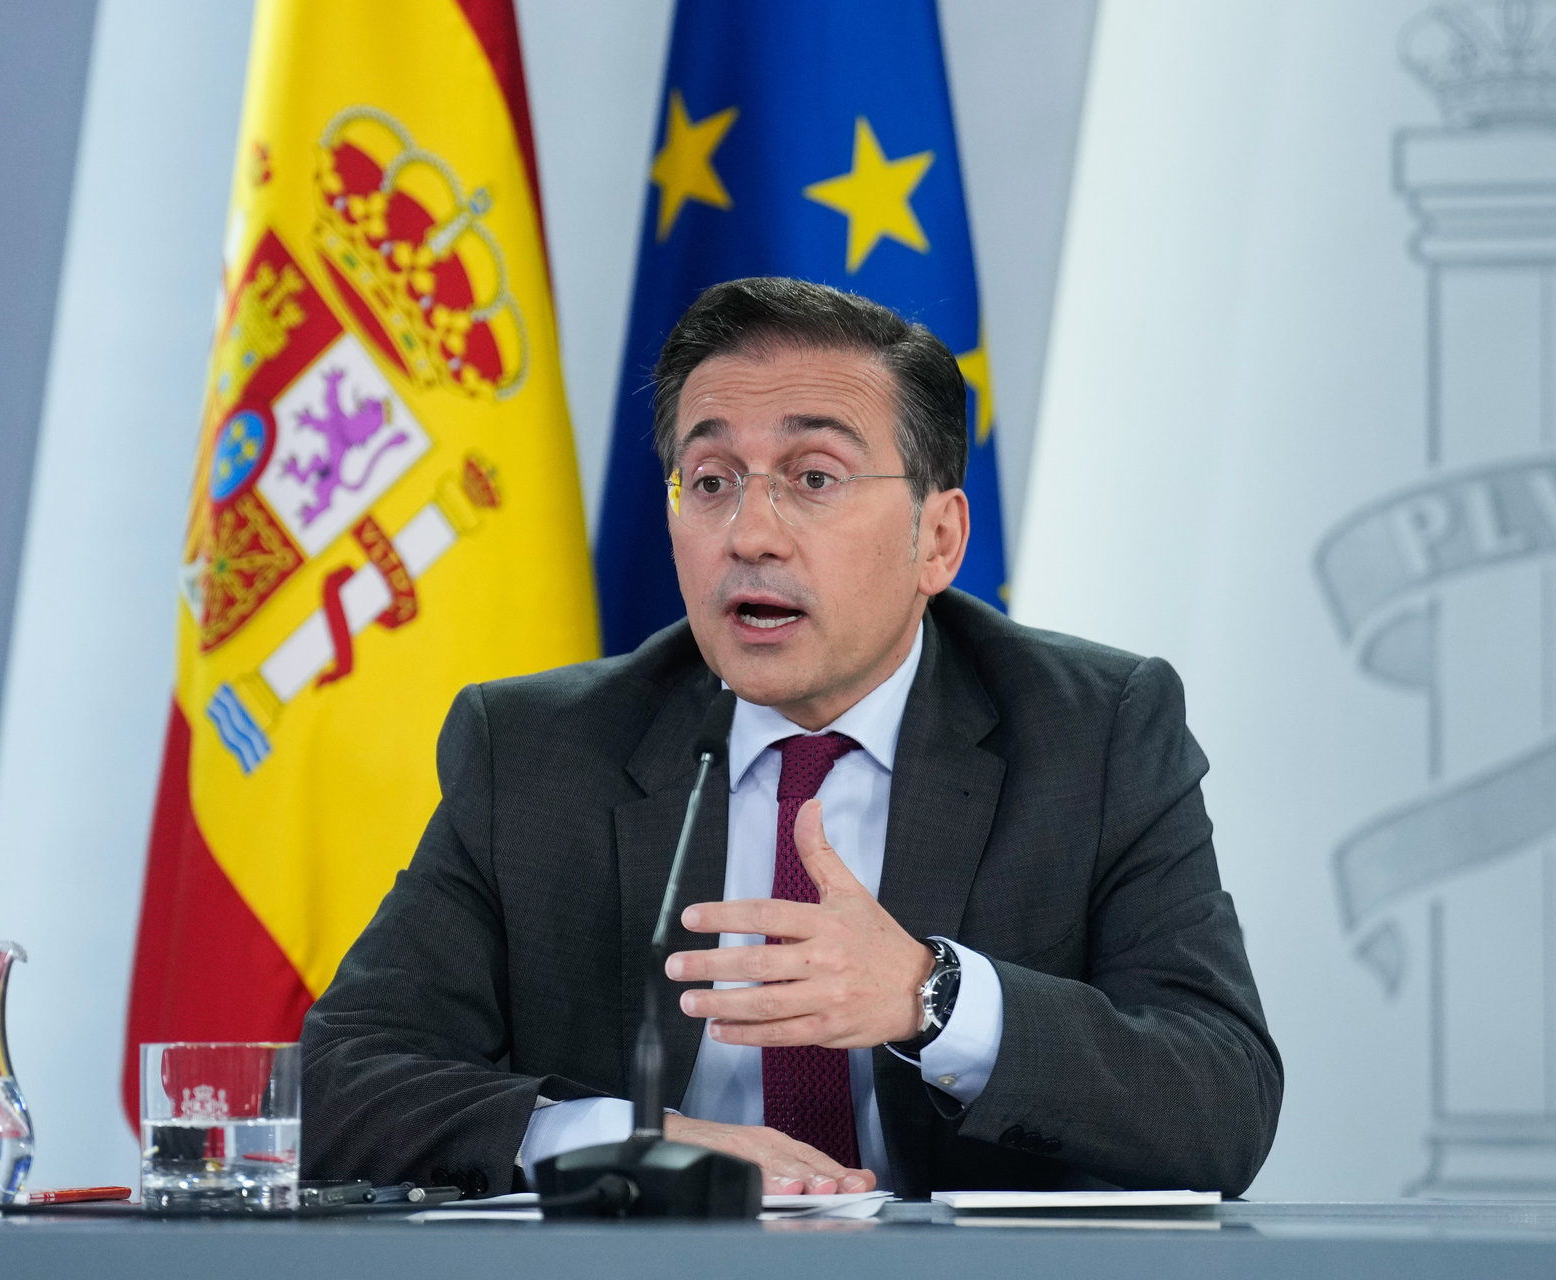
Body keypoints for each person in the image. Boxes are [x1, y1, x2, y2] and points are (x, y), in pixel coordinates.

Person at [300, 277, 1282, 1198]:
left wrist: (931, 995)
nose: (750, 532)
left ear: (936, 539)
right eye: (712, 478)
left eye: (814, 476)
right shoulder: (540, 750)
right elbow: (339, 1081)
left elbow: (1221, 1100)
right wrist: (622, 1140)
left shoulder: (1092, 731)